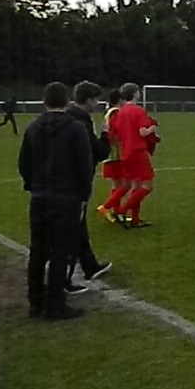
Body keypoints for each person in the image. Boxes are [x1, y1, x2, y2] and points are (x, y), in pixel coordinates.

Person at [18, 82, 92, 321]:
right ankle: (55, 305)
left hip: (40, 197)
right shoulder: (76, 129)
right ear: (67, 101)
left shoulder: (32, 128)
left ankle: (35, 302)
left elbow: (24, 163)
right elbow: (84, 167)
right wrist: (83, 196)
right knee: (60, 251)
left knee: (37, 251)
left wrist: (33, 185)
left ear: (44, 101)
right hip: (66, 198)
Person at [64, 81, 114, 293]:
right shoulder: (81, 123)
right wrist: (105, 135)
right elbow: (99, 152)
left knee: (77, 227)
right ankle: (65, 279)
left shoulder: (68, 116)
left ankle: (89, 266)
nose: (97, 104)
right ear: (89, 100)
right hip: (74, 184)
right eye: (96, 100)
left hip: (62, 181)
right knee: (73, 229)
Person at [110, 83, 158, 228]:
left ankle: (135, 219)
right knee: (147, 186)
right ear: (135, 93)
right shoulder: (138, 110)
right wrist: (152, 128)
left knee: (136, 185)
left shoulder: (121, 112)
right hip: (138, 151)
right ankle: (122, 211)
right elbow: (143, 132)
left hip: (125, 152)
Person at [96, 90, 129, 223]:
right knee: (124, 184)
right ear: (120, 100)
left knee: (117, 184)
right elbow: (116, 132)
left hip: (112, 153)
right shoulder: (115, 113)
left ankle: (117, 212)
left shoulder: (110, 112)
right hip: (116, 154)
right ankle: (106, 207)